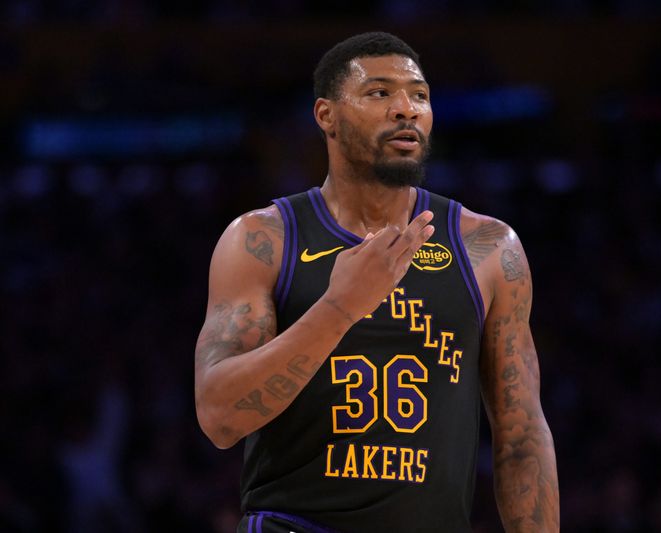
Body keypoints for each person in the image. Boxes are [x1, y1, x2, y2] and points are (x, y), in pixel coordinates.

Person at [194, 32, 559, 533]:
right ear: (327, 116)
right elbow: (219, 417)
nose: (406, 109)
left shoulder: (490, 248)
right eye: (379, 93)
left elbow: (522, 437)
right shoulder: (263, 239)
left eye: (420, 95)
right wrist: (340, 307)